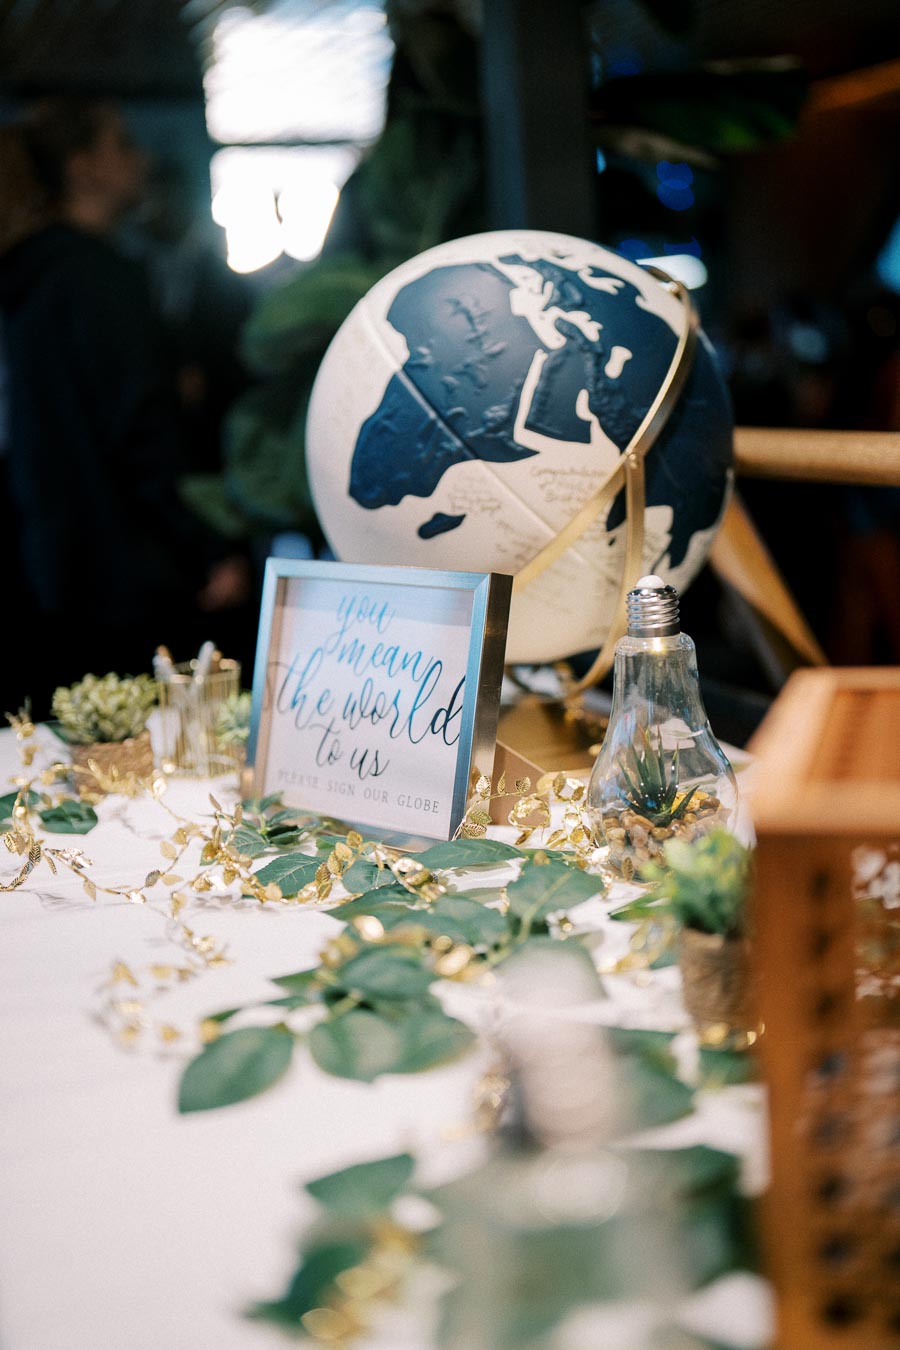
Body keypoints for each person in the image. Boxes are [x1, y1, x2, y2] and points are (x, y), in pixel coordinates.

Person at [0, 100, 250, 717]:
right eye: (122, 144)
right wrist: (206, 550)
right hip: (123, 573)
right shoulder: (98, 278)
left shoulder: (25, 275)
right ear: (83, 167)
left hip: (42, 567)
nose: (140, 159)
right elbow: (137, 431)